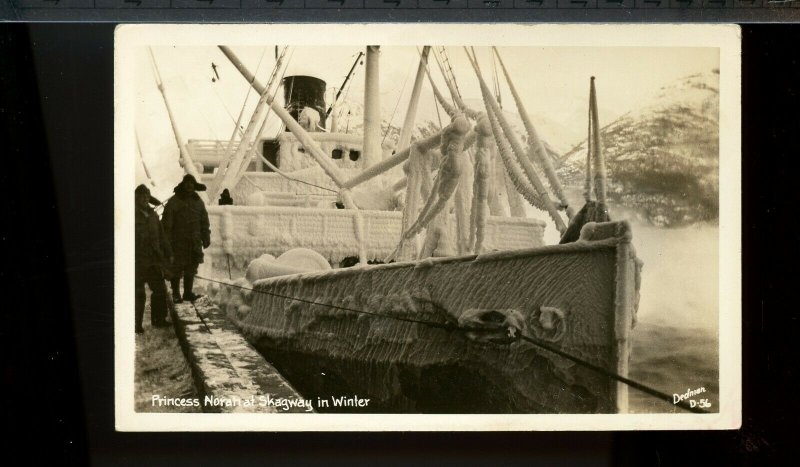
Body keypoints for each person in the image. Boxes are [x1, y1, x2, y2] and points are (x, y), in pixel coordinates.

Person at [162, 174, 211, 303]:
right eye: (187, 183)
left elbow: (204, 221)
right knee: (177, 268)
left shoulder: (198, 202)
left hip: (194, 242)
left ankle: (188, 293)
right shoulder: (174, 201)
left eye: (192, 183)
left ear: (194, 186)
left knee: (191, 268)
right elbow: (166, 225)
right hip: (177, 243)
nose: (189, 186)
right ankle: (176, 293)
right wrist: (167, 244)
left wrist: (206, 236)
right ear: (183, 185)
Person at [135, 184, 172, 334]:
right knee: (138, 293)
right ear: (136, 197)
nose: (145, 198)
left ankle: (159, 319)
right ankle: (136, 324)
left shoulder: (153, 215)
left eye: (147, 196)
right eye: (142, 195)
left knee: (160, 289)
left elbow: (162, 236)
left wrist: (169, 252)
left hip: (154, 260)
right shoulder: (130, 213)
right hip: (137, 261)